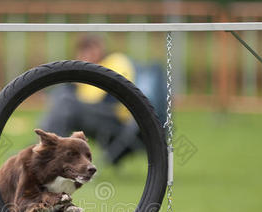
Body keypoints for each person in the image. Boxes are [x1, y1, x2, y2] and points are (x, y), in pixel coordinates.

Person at [40, 34, 167, 164]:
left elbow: (107, 100)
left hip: (117, 120)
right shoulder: (89, 71)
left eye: (90, 49)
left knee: (65, 103)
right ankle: (47, 150)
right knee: (62, 100)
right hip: (96, 116)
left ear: (100, 48)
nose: (86, 55)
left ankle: (45, 152)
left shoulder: (115, 62)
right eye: (83, 51)